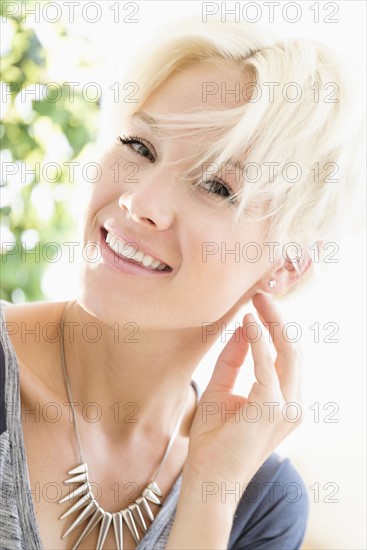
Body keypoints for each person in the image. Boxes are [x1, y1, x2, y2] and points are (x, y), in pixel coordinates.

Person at [0, 16, 362, 550]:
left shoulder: (260, 501)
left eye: (215, 185)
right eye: (140, 146)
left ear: (287, 264)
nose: (139, 202)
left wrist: (210, 494)